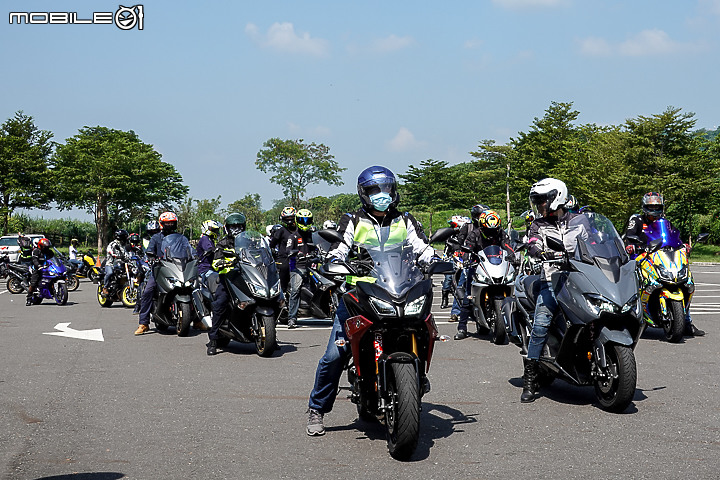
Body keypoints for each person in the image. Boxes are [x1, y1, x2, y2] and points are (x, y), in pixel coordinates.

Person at [306, 165, 434, 436]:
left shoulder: (405, 220)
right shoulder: (352, 220)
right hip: (358, 296)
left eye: (386, 189)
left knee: (425, 329)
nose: (381, 195)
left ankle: (415, 379)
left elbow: (422, 248)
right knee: (334, 356)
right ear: (364, 194)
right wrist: (336, 262)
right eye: (375, 190)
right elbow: (338, 249)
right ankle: (317, 408)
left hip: (399, 289)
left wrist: (435, 260)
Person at [520, 177, 586, 403]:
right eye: (537, 201)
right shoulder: (538, 225)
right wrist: (538, 251)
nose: (540, 206)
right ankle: (530, 378)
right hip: (552, 282)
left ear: (557, 198)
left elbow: (595, 240)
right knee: (540, 324)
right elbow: (532, 242)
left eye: (542, 201)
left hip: (581, 279)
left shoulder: (579, 221)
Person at [624, 192, 704, 337]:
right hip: (641, 256)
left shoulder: (664, 222)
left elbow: (673, 237)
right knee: (630, 281)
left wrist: (683, 245)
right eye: (651, 207)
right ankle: (628, 318)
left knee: (681, 282)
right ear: (644, 207)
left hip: (660, 255)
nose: (654, 211)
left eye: (657, 207)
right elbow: (629, 236)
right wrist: (631, 246)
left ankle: (686, 322)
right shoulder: (636, 220)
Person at [454, 209, 517, 340]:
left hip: (496, 267)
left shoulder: (501, 234)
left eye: (494, 230)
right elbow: (467, 247)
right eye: (488, 230)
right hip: (477, 266)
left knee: (514, 292)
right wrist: (466, 258)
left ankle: (515, 327)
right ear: (482, 226)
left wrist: (512, 255)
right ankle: (462, 328)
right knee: (468, 297)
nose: (491, 233)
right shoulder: (474, 234)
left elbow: (507, 245)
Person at [135, 212, 188, 335]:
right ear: (162, 224)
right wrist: (152, 257)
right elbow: (150, 251)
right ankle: (143, 323)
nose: (169, 225)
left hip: (177, 268)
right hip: (159, 269)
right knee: (148, 291)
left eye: (172, 223)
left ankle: (197, 321)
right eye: (167, 223)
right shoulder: (155, 238)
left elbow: (189, 249)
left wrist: (194, 256)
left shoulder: (181, 238)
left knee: (194, 288)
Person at [206, 213, 247, 355]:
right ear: (227, 228)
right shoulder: (223, 243)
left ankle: (272, 337)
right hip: (228, 279)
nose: (236, 229)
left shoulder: (249, 241)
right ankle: (213, 339)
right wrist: (224, 262)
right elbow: (216, 262)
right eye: (233, 227)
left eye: (239, 226)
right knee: (220, 303)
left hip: (246, 278)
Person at [286, 208, 318, 329]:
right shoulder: (293, 236)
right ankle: (292, 318)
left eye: (307, 220)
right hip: (297, 267)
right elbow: (288, 250)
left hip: (312, 266)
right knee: (296, 290)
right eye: (302, 220)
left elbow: (319, 247)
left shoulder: (313, 235)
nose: (305, 223)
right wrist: (296, 253)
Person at [269, 206, 299, 310]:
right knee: (284, 273)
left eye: (291, 218)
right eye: (287, 219)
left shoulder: (299, 230)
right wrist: (272, 252)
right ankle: (282, 297)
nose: (289, 221)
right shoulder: (281, 230)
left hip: (299, 258)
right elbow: (272, 244)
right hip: (284, 258)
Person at [196, 219, 222, 327]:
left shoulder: (210, 240)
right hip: (206, 270)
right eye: (214, 230)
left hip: (212, 268)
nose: (216, 232)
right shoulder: (205, 239)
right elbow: (211, 249)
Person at [25, 238, 54, 306]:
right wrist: (38, 265)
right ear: (41, 246)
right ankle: (28, 299)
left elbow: (54, 258)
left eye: (47, 247)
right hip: (37, 269)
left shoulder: (49, 252)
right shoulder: (36, 251)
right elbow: (35, 260)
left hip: (47, 268)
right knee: (33, 283)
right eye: (45, 247)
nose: (46, 248)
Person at [103, 229, 129, 296]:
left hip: (120, 263)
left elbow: (126, 253)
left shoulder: (123, 245)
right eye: (124, 236)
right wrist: (114, 254)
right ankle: (105, 287)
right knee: (110, 273)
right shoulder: (113, 244)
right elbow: (109, 250)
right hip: (110, 264)